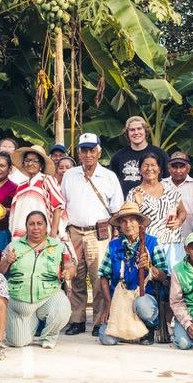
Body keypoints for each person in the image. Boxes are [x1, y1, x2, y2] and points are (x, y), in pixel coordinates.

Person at [60, 133, 124, 336]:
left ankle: (99, 321)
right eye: (84, 150)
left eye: (92, 150)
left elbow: (117, 210)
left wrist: (116, 234)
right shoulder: (70, 175)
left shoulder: (109, 177)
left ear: (99, 151)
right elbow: (62, 204)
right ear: (78, 152)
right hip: (74, 232)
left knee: (99, 278)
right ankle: (77, 319)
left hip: (98, 232)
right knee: (76, 277)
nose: (88, 154)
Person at [96, 203, 169, 345]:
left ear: (139, 223)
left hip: (144, 298)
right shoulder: (113, 245)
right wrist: (108, 305)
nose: (128, 225)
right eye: (123, 221)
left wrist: (149, 266)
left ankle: (149, 328)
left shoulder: (152, 242)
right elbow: (104, 276)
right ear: (120, 225)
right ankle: (129, 331)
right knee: (107, 339)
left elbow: (164, 275)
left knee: (142, 305)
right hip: (120, 301)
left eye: (132, 220)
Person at [1, 211, 74, 349]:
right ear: (26, 227)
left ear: (46, 226)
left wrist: (68, 272)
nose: (35, 227)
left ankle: (48, 336)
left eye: (39, 224)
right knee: (18, 342)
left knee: (62, 308)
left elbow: (70, 265)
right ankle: (30, 322)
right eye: (31, 224)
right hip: (19, 301)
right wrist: (6, 261)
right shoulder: (13, 246)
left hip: (48, 296)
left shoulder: (58, 246)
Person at [127, 153, 185, 271]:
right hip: (148, 244)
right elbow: (129, 220)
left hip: (172, 243)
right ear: (140, 169)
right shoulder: (134, 193)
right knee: (150, 278)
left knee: (173, 279)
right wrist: (138, 204)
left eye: (153, 165)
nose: (149, 169)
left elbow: (182, 211)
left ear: (159, 169)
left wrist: (179, 221)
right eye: (145, 165)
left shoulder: (170, 188)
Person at [9, 145, 66, 240]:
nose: (30, 163)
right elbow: (15, 214)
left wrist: (53, 233)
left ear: (41, 165)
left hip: (44, 236)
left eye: (35, 161)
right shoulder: (20, 186)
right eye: (27, 160)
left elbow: (58, 207)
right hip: (21, 237)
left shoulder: (46, 180)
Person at [110, 116, 169, 194]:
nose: (136, 132)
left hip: (153, 199)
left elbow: (168, 181)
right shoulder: (118, 157)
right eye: (132, 130)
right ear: (127, 133)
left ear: (145, 130)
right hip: (126, 200)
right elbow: (111, 183)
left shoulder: (160, 154)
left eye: (139, 128)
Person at [168, 151, 193, 241]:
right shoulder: (161, 184)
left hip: (189, 237)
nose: (178, 171)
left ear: (188, 168)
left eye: (182, 167)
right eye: (174, 167)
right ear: (169, 168)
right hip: (165, 237)